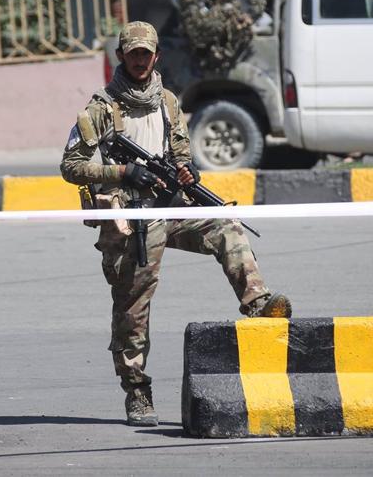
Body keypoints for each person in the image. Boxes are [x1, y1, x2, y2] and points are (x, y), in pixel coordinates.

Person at [60, 21, 291, 427]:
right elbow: (71, 166)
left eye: (145, 54)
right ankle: (136, 390)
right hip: (130, 218)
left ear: (156, 56)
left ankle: (258, 302)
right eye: (132, 53)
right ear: (121, 57)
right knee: (134, 305)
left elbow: (181, 153)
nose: (139, 60)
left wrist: (186, 174)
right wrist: (124, 173)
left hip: (170, 205)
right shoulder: (100, 109)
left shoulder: (167, 102)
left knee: (226, 224)